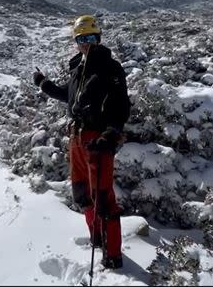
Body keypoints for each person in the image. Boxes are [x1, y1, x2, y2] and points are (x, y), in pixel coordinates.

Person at [32, 15, 131, 269]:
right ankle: (97, 238)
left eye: (90, 38)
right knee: (81, 192)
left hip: (98, 138)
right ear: (76, 42)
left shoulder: (110, 68)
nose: (85, 43)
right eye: (80, 39)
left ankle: (113, 255)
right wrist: (43, 83)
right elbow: (68, 95)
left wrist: (110, 134)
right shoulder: (78, 68)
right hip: (76, 137)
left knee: (103, 196)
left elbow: (121, 105)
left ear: (98, 38)